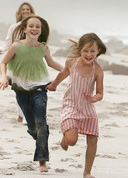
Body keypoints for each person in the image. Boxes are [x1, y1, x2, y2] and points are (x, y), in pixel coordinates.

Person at [0, 15, 63, 173]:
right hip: (21, 91)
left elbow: (52, 63)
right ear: (24, 29)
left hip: (40, 88)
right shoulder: (16, 46)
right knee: (34, 128)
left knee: (41, 123)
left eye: (37, 27)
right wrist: (4, 77)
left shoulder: (43, 48)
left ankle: (42, 161)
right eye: (31, 26)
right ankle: (39, 135)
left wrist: (68, 71)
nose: (34, 29)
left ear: (41, 30)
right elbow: (3, 62)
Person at [46, 33, 107, 178]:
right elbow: (63, 73)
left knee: (93, 140)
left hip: (87, 108)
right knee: (72, 141)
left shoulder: (97, 70)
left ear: (98, 51)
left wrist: (94, 98)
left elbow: (100, 93)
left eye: (92, 51)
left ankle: (87, 172)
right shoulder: (71, 62)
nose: (89, 54)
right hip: (71, 105)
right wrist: (54, 84)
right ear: (80, 50)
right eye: (85, 50)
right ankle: (66, 136)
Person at [0, 2, 36, 124]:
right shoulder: (14, 27)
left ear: (31, 11)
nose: (25, 11)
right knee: (19, 89)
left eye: (28, 9)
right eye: (23, 9)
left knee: (31, 87)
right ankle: (22, 115)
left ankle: (26, 115)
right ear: (20, 12)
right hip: (16, 61)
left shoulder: (35, 26)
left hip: (31, 61)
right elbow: (8, 43)